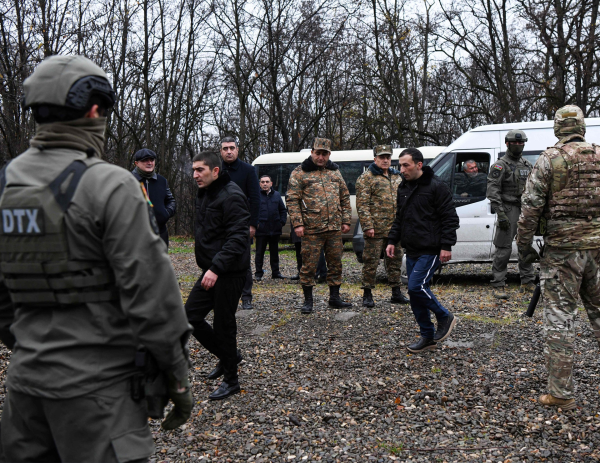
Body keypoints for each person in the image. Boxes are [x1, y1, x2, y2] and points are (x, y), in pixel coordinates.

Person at [0, 55, 193, 462]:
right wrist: (177, 378)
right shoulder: (109, 185)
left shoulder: (6, 184)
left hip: (24, 391)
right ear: (94, 111)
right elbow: (153, 299)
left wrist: (33, 347)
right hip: (99, 396)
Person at [517, 105, 600, 410]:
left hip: (563, 253)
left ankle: (560, 393)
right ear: (582, 127)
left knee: (560, 319)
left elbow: (530, 209)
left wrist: (524, 246)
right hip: (597, 249)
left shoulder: (550, 159)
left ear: (556, 129)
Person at [185, 151, 250, 400]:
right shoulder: (205, 193)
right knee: (190, 317)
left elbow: (237, 239)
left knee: (224, 325)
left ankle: (231, 381)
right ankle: (229, 357)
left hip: (229, 272)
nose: (195, 175)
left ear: (215, 171)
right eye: (193, 170)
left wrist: (215, 268)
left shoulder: (232, 195)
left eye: (200, 170)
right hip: (211, 269)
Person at [386, 148, 459, 353]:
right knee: (414, 293)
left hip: (432, 248)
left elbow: (450, 219)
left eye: (406, 165)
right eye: (400, 165)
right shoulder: (403, 188)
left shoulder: (436, 187)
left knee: (416, 287)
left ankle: (445, 316)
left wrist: (446, 246)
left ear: (419, 165)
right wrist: (392, 240)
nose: (402, 169)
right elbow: (400, 218)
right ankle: (427, 337)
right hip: (412, 249)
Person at [287, 137, 352, 314]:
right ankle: (308, 300)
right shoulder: (300, 173)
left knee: (336, 263)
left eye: (325, 154)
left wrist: (346, 220)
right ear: (312, 153)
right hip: (311, 229)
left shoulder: (335, 172)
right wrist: (297, 224)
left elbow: (345, 197)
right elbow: (292, 200)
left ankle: (334, 297)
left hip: (333, 229)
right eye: (318, 153)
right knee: (309, 265)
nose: (321, 157)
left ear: (329, 154)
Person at [356, 144, 409, 307]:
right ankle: (367, 293)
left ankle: (396, 292)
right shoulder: (366, 178)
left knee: (395, 261)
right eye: (381, 157)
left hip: (395, 229)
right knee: (371, 262)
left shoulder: (397, 177)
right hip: (375, 229)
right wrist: (367, 226)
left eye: (387, 157)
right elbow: (362, 204)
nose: (385, 160)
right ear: (375, 159)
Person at [487, 129, 536, 299]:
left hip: (525, 209)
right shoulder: (500, 165)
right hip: (508, 209)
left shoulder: (527, 164)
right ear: (507, 143)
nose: (518, 145)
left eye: (521, 142)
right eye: (514, 143)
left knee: (526, 246)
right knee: (503, 249)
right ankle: (498, 284)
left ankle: (528, 282)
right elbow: (492, 190)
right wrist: (500, 213)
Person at [220, 136, 260, 310]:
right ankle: (223, 295)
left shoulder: (248, 170)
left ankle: (246, 296)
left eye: (232, 148)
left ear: (237, 149)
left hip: (241, 223)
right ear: (220, 151)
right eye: (225, 148)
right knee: (219, 259)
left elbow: (255, 198)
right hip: (219, 224)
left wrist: (253, 224)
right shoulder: (215, 170)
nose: (229, 151)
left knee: (243, 261)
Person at [131, 148, 177, 246]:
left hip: (160, 233)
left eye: (152, 160)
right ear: (136, 163)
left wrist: (166, 213)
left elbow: (171, 201)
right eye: (145, 160)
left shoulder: (162, 181)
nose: (149, 163)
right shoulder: (128, 180)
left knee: (160, 261)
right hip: (135, 235)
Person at [255, 174, 287, 280]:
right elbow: (251, 211)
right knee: (259, 253)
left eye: (267, 182)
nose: (265, 184)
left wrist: (281, 222)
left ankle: (276, 273)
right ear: (260, 184)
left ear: (271, 183)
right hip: (261, 230)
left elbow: (282, 210)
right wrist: (256, 224)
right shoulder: (256, 195)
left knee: (274, 253)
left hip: (275, 229)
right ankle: (258, 273)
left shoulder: (277, 195)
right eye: (263, 182)